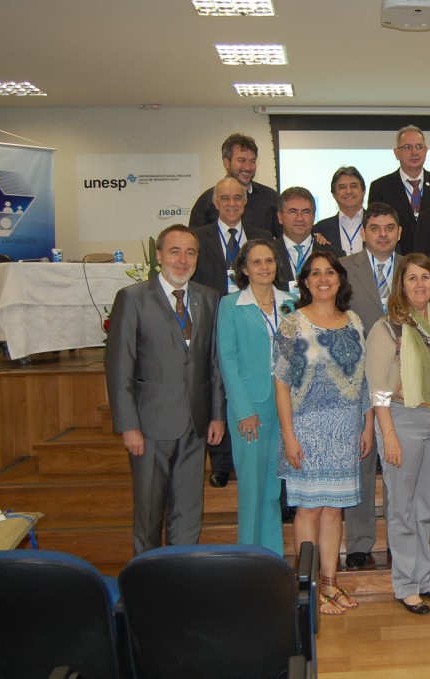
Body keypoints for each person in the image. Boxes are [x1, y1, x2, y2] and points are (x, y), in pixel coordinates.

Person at [105, 224, 225, 556]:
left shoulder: (209, 298)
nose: (183, 260)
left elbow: (213, 362)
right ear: (159, 256)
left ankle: (181, 572)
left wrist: (217, 415)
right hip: (150, 425)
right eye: (175, 251)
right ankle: (146, 576)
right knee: (149, 510)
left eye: (190, 252)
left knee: (188, 511)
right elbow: (119, 367)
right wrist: (129, 425)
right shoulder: (133, 298)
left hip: (196, 424)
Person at [273, 250, 374, 615]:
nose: (323, 278)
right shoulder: (292, 323)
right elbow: (281, 383)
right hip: (306, 430)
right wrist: (288, 436)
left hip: (346, 429)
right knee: (309, 510)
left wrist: (367, 424)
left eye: (329, 272)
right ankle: (309, 588)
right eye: (314, 273)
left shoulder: (354, 320)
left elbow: (364, 379)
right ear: (305, 282)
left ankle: (330, 584)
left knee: (334, 510)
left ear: (339, 279)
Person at [366, 253, 430, 615]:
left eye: (425, 277)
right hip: (401, 420)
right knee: (402, 508)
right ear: (401, 285)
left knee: (424, 507)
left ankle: (425, 578)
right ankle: (405, 584)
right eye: (412, 278)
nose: (420, 284)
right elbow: (377, 390)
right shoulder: (387, 328)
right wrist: (388, 434)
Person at [216, 239, 295, 556]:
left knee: (273, 488)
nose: (264, 267)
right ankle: (247, 560)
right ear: (244, 269)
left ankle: (272, 557)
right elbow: (227, 360)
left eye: (269, 261)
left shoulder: (291, 303)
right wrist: (243, 410)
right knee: (251, 488)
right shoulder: (231, 305)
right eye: (257, 262)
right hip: (251, 406)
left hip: (286, 405)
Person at [191, 177, 272, 488]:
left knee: (246, 383)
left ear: (245, 202)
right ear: (215, 203)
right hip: (213, 319)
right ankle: (221, 462)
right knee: (218, 386)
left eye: (237, 198)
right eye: (225, 198)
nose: (231, 203)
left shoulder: (262, 236)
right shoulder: (200, 237)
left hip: (252, 321)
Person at [340, 202, 403, 569]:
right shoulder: (344, 268)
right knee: (362, 463)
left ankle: (400, 541)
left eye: (389, 227)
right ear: (363, 232)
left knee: (398, 464)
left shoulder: (414, 267)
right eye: (375, 228)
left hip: (402, 383)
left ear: (399, 232)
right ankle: (360, 543)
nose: (382, 234)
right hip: (357, 381)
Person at [367, 125, 430, 254]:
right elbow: (374, 227)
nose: (414, 152)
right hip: (396, 259)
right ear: (396, 153)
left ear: (426, 151)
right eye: (407, 147)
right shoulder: (380, 187)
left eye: (419, 147)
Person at [188, 132, 280, 238]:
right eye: (242, 161)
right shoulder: (207, 200)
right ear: (226, 162)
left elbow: (282, 241)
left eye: (252, 161)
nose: (248, 167)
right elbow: (193, 241)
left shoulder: (270, 198)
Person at [274, 186, 345, 298]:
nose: (299, 218)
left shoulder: (336, 255)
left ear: (314, 216)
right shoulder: (268, 254)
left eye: (306, 212)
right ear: (280, 217)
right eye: (293, 212)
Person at [313, 166, 367, 256]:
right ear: (334, 194)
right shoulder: (320, 229)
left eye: (353, 186)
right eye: (342, 187)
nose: (348, 191)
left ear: (363, 191)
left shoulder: (379, 225)